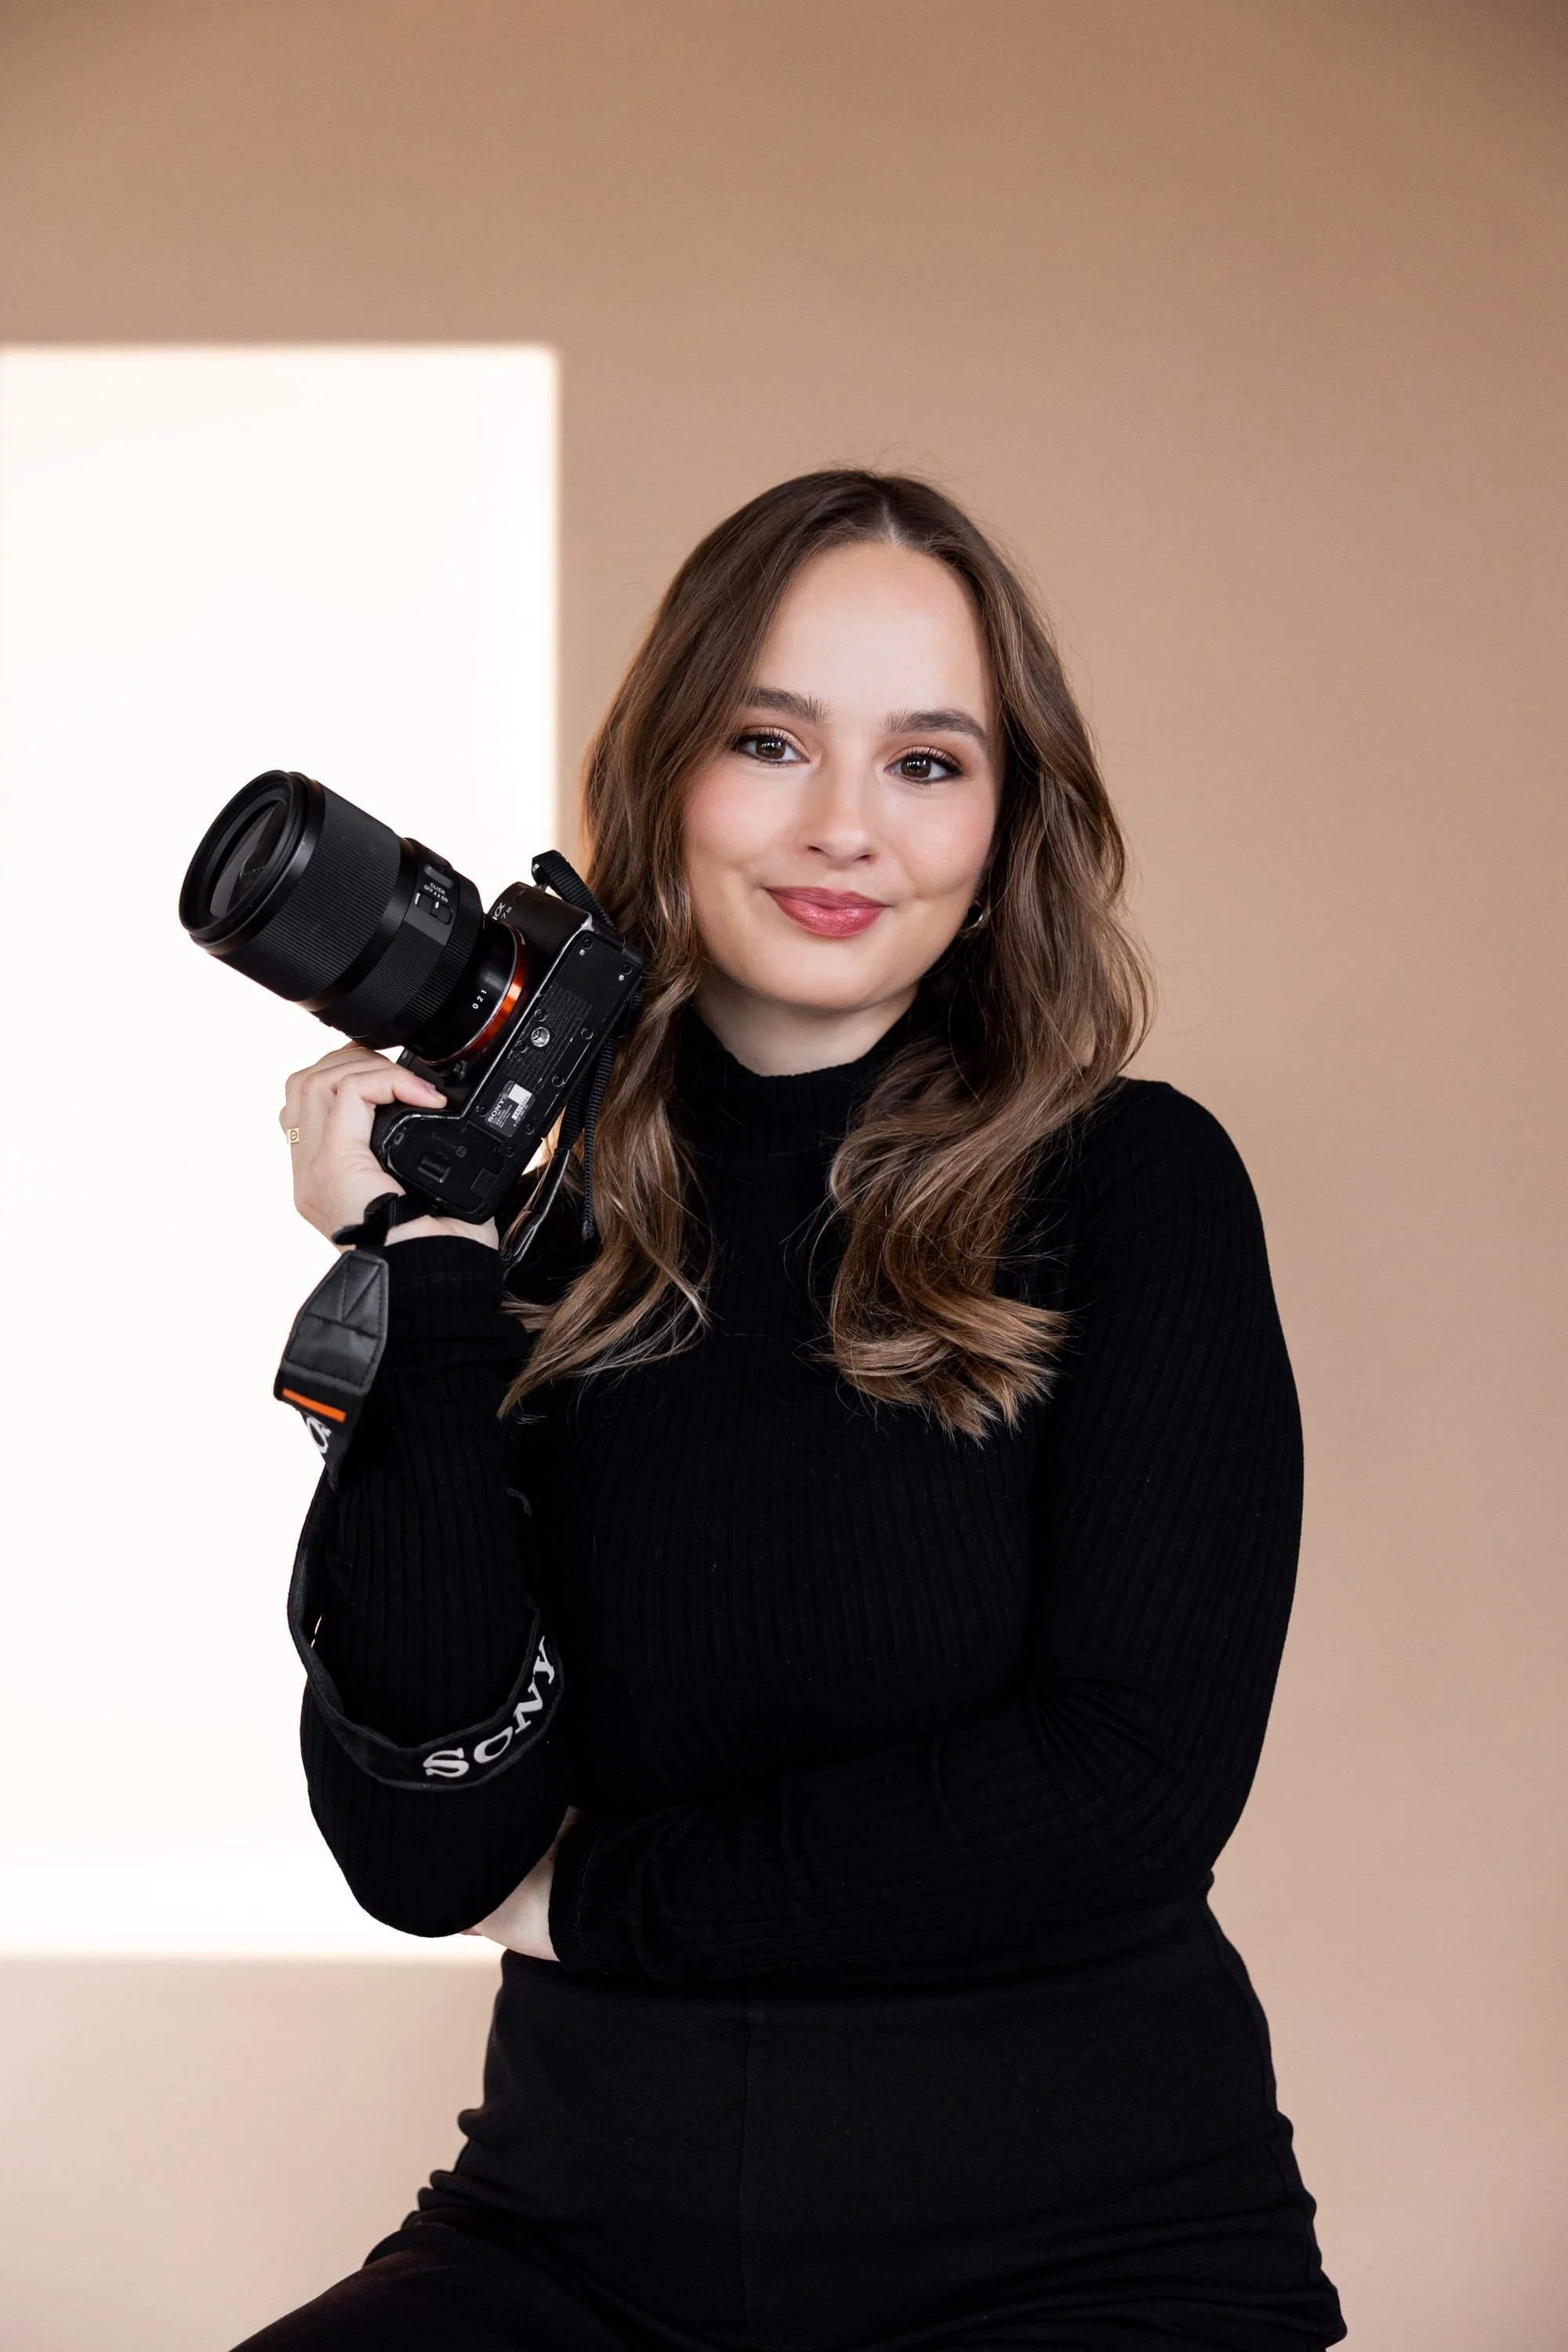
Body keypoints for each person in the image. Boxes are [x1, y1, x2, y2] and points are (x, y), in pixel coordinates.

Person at [237, 470, 1346, 2351]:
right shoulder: (526, 1229)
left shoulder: (1127, 1185)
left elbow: (1124, 1789)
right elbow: (425, 1852)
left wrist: (604, 1905)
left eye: (929, 762)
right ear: (666, 774)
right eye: (770, 741)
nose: (845, 826)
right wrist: (425, 1278)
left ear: (1004, 832)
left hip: (1081, 2259)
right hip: (577, 2245)